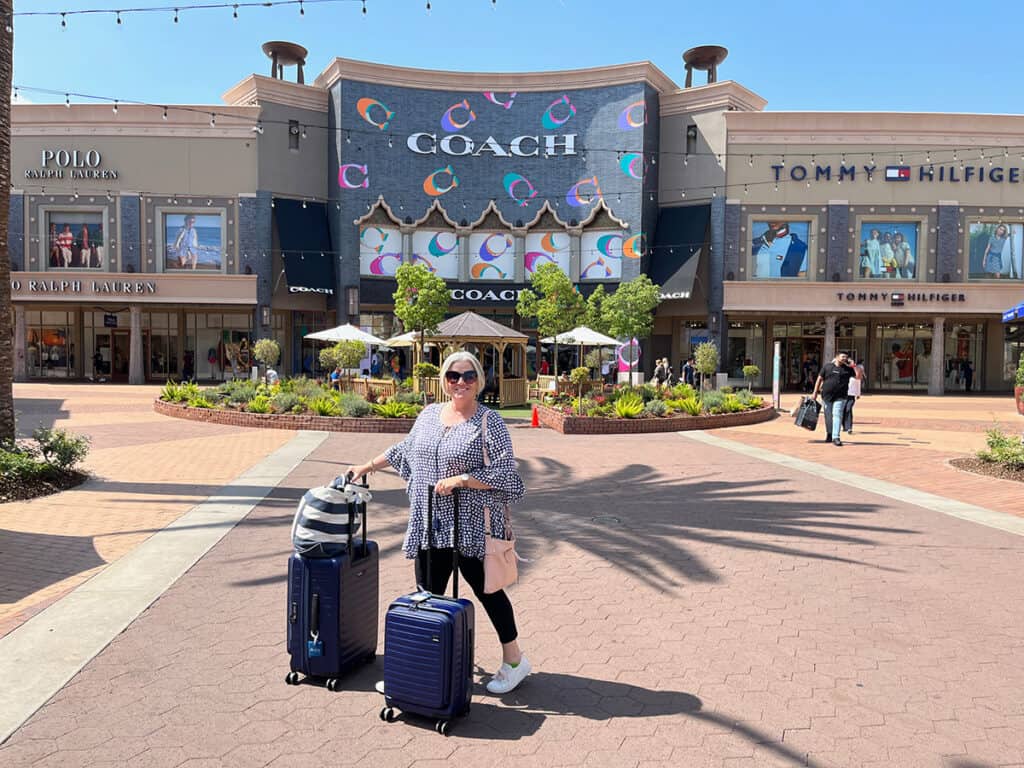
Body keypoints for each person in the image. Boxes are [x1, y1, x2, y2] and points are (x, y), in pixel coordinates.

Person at [348, 351, 530, 695]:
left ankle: (515, 661)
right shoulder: (430, 415)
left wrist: (463, 478)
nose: (460, 383)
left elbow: (507, 475)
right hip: (430, 522)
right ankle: (416, 668)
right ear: (444, 380)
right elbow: (405, 449)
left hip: (472, 525)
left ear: (479, 381)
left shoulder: (490, 422)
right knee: (426, 598)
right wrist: (366, 466)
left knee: (488, 591)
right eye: (453, 376)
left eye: (468, 376)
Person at [812, 350, 862, 446]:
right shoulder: (827, 367)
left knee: (837, 415)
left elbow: (858, 377)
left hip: (841, 396)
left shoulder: (848, 369)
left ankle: (836, 437)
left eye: (846, 357)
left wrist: (854, 365)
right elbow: (819, 379)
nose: (844, 359)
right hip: (826, 396)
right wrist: (815, 392)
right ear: (837, 357)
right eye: (843, 356)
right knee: (828, 416)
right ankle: (829, 434)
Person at [842, 356, 864, 434]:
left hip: (851, 394)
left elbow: (858, 379)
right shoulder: (843, 370)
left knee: (848, 409)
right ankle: (844, 426)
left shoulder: (857, 369)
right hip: (843, 393)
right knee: (843, 409)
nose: (848, 363)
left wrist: (858, 393)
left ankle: (849, 427)